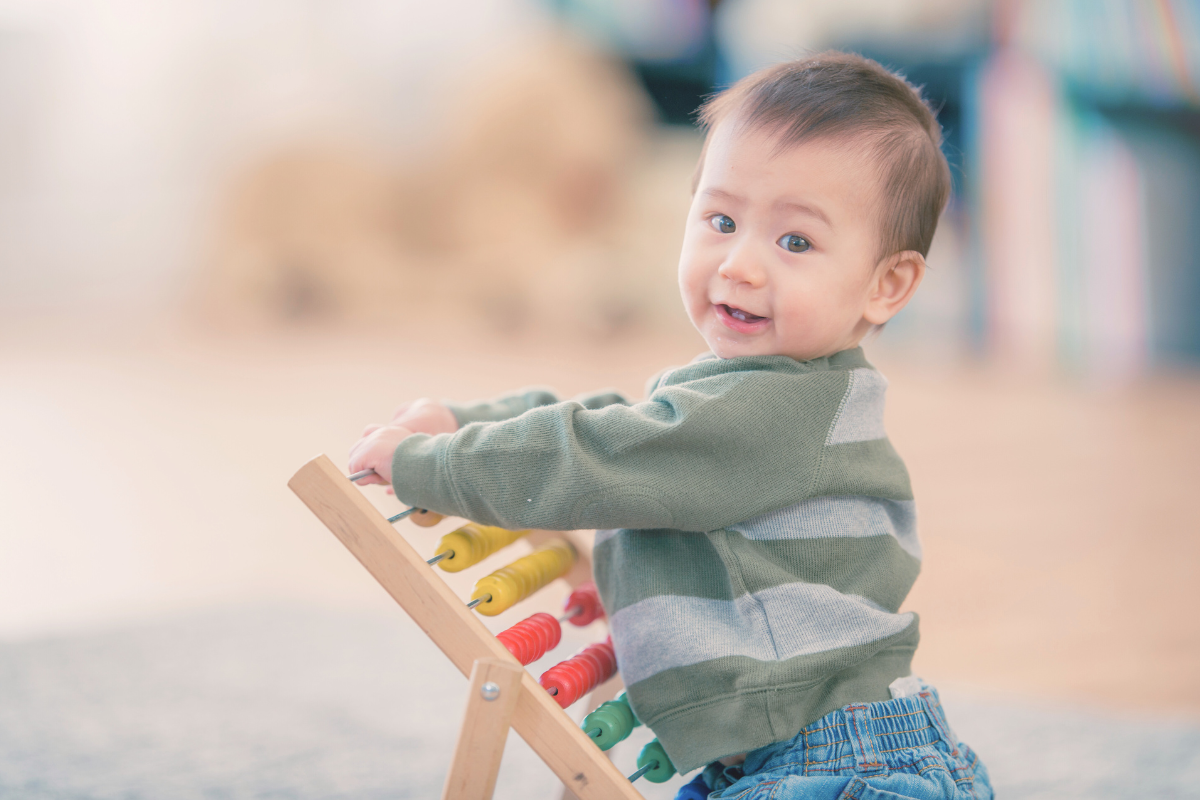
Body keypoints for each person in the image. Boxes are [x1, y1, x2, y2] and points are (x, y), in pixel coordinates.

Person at [349, 51, 992, 800]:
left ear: (887, 284)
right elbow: (621, 423)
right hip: (788, 755)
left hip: (834, 765)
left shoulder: (771, 415)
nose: (741, 265)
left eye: (795, 242)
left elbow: (601, 454)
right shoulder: (770, 398)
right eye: (721, 220)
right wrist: (468, 419)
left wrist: (438, 465)